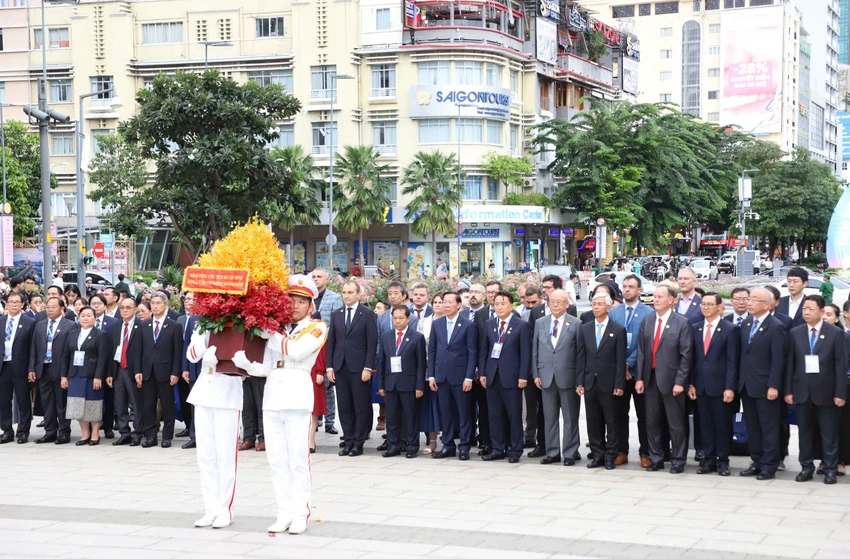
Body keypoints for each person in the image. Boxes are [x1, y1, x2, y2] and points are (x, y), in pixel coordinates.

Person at [234, 275, 327, 535]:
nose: (295, 306)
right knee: (276, 461)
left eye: (301, 302)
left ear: (311, 305)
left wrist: (270, 329)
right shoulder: (279, 329)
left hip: (297, 397)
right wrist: (246, 364)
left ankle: (301, 513)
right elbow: (267, 366)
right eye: (291, 301)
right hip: (273, 397)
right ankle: (283, 512)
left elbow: (295, 352)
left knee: (298, 460)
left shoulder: (317, 327)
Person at [184, 321, 244, 529]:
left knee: (225, 456)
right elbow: (191, 355)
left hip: (228, 391)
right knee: (206, 456)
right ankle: (210, 508)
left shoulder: (239, 323)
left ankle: (225, 509)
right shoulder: (203, 324)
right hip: (204, 391)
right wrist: (203, 339)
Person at [785, 295, 847, 484]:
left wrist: (840, 393)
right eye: (804, 309)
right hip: (802, 391)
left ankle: (829, 468)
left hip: (827, 392)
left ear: (821, 312)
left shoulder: (835, 333)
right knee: (804, 433)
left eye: (811, 309)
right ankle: (806, 467)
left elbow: (840, 365)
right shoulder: (796, 332)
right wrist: (788, 390)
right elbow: (790, 364)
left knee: (829, 433)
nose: (806, 312)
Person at [635, 285, 693, 473]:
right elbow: (642, 351)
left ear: (672, 300)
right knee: (652, 422)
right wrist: (640, 378)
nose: (656, 299)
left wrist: (680, 382)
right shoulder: (648, 320)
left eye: (660, 297)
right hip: (650, 379)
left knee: (675, 423)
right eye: (655, 296)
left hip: (671, 380)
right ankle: (656, 457)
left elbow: (686, 356)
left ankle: (678, 459)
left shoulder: (682, 323)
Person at [738, 287, 787, 480]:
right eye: (749, 299)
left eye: (753, 299)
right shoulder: (747, 322)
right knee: (753, 427)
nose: (748, 302)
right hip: (747, 385)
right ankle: (756, 461)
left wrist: (774, 385)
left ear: (766, 304)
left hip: (766, 386)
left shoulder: (776, 326)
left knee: (769, 427)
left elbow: (778, 360)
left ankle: (769, 465)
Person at [688, 293, 739, 476]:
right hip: (700, 385)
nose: (706, 307)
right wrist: (691, 384)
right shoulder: (695, 328)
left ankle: (723, 461)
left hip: (721, 386)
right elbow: (692, 359)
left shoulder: (730, 329)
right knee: (705, 425)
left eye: (710, 304)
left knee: (722, 425)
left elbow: (732, 361)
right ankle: (708, 460)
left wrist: (730, 387)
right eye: (704, 304)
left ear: (720, 307)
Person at [327, 280, 378, 457]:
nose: (346, 295)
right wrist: (329, 367)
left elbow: (372, 343)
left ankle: (359, 441)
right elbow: (331, 342)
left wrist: (368, 367)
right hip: (340, 366)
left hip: (359, 367)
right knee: (344, 405)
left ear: (358, 294)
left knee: (361, 405)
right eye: (344, 292)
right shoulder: (337, 315)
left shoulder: (367, 314)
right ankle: (348, 440)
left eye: (350, 292)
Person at [479, 291, 531, 463]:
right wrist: (483, 373)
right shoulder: (489, 324)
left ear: (511, 306)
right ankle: (497, 448)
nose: (499, 307)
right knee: (494, 414)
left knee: (514, 415)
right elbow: (484, 351)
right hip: (492, 376)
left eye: (503, 303)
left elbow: (525, 354)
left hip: (512, 377)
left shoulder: (520, 325)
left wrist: (523, 376)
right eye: (496, 304)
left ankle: (515, 449)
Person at [576, 291, 626, 470]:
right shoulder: (585, 328)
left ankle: (610, 456)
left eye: (599, 304)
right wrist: (580, 381)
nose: (596, 307)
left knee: (611, 421)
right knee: (593, 420)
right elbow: (581, 356)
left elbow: (620, 360)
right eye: (594, 304)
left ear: (608, 307)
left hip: (610, 382)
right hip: (590, 382)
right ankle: (597, 454)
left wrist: (620, 384)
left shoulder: (618, 330)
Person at [532, 289, 581, 465]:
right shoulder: (540, 322)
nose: (554, 304)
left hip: (568, 376)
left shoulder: (575, 323)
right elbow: (535, 351)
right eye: (552, 301)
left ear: (567, 304)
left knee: (570, 418)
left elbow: (579, 354)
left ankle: (570, 452)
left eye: (559, 302)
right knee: (550, 417)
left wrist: (579, 379)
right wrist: (536, 373)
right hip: (546, 376)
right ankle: (552, 452)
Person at [609, 274, 654, 467]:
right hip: (619, 373)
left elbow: (647, 343)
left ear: (639, 290)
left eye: (631, 287)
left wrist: (629, 363)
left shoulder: (648, 313)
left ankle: (645, 452)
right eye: (624, 286)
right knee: (619, 414)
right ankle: (621, 451)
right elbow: (610, 342)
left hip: (640, 373)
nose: (627, 290)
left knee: (644, 415)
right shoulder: (614, 312)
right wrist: (621, 366)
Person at [428, 291, 478, 460]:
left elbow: (472, 353)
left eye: (450, 302)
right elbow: (433, 350)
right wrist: (431, 376)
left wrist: (469, 377)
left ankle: (464, 446)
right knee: (445, 412)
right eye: (444, 302)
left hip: (461, 376)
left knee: (464, 413)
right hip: (441, 376)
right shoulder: (437, 324)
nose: (446, 305)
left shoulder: (468, 325)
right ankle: (448, 445)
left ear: (458, 305)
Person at [377, 305, 426, 458]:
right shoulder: (386, 336)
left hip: (409, 384)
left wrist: (419, 386)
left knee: (410, 417)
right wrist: (381, 384)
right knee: (391, 417)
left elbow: (420, 365)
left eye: (401, 318)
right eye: (395, 318)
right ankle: (393, 445)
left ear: (408, 319)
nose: (397, 321)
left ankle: (411, 446)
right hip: (391, 383)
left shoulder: (417, 337)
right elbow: (382, 362)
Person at [135, 291, 182, 448]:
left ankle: (167, 437)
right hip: (147, 371)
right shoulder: (144, 326)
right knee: (148, 405)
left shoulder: (174, 326)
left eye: (158, 303)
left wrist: (176, 372)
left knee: (167, 405)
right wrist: (138, 371)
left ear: (166, 304)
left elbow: (177, 352)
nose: (155, 306)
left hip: (166, 372)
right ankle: (151, 436)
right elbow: (138, 351)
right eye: (153, 303)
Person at [375, 282, 419, 439]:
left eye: (396, 293)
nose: (392, 296)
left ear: (404, 296)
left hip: (405, 367)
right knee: (391, 408)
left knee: (406, 409)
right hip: (387, 366)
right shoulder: (381, 318)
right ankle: (392, 440)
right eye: (390, 293)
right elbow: (379, 341)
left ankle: (406, 439)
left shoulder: (411, 318)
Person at [29, 297, 75, 445]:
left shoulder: (70, 325)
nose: (49, 309)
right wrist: (32, 368)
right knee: (47, 402)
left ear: (62, 309)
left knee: (61, 402)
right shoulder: (40, 325)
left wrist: (67, 373)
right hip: (43, 368)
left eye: (53, 307)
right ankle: (50, 431)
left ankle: (64, 431)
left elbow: (71, 352)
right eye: (47, 307)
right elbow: (34, 349)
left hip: (61, 370)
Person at [62, 306, 109, 445]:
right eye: (83, 315)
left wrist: (98, 376)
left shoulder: (101, 335)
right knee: (78, 405)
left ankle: (95, 434)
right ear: (78, 317)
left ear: (95, 318)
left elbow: (103, 358)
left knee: (92, 404)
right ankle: (85, 434)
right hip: (75, 374)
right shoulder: (73, 333)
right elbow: (66, 356)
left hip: (91, 375)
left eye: (89, 315)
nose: (86, 318)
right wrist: (64, 376)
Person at [0, 292, 36, 444]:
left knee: (23, 401)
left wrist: (31, 368)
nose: (14, 304)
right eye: (11, 302)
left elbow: (33, 348)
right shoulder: (1, 321)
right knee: (3, 402)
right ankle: (7, 431)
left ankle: (23, 432)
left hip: (21, 367)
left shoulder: (30, 322)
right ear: (6, 304)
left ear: (23, 305)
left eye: (17, 302)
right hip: (3, 367)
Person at [107, 297, 143, 446]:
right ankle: (124, 432)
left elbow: (144, 352)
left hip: (133, 370)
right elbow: (111, 350)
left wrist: (140, 371)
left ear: (135, 309)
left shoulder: (142, 325)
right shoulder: (115, 326)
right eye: (122, 308)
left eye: (129, 307)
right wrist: (109, 373)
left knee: (136, 404)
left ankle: (137, 433)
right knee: (120, 404)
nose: (125, 310)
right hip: (118, 369)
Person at [311, 268, 342, 436]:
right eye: (313, 277)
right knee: (313, 383)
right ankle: (317, 418)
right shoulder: (308, 297)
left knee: (328, 385)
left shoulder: (334, 298)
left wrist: (323, 334)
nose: (316, 279)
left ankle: (330, 421)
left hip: (328, 344)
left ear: (326, 279)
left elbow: (336, 323)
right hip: (309, 346)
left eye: (319, 276)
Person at [418, 292, 444, 454]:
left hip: (446, 370)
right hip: (427, 370)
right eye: (435, 302)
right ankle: (432, 440)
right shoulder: (424, 322)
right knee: (430, 407)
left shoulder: (452, 322)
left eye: (441, 302)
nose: (438, 305)